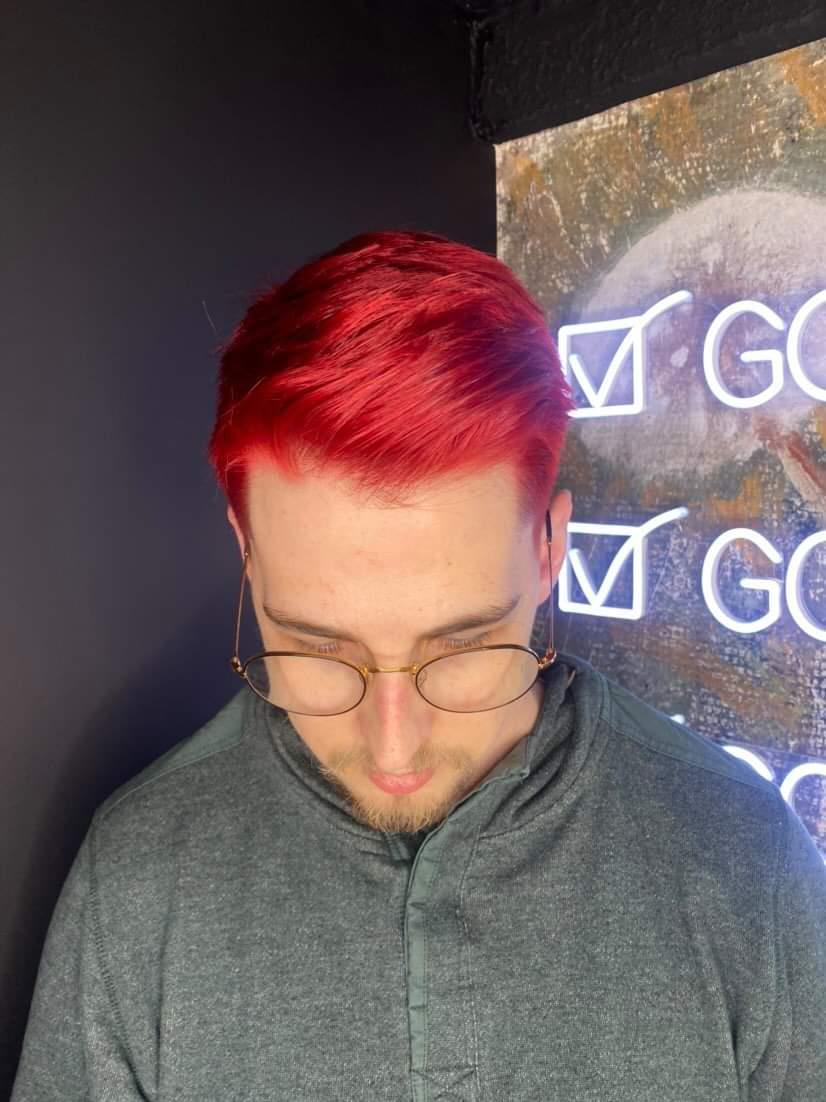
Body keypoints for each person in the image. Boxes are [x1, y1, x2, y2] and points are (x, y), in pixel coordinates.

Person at [11, 230, 826, 1101]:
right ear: (246, 550)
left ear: (549, 547)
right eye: (320, 649)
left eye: (462, 645)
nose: (394, 748)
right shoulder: (137, 881)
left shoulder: (745, 862)